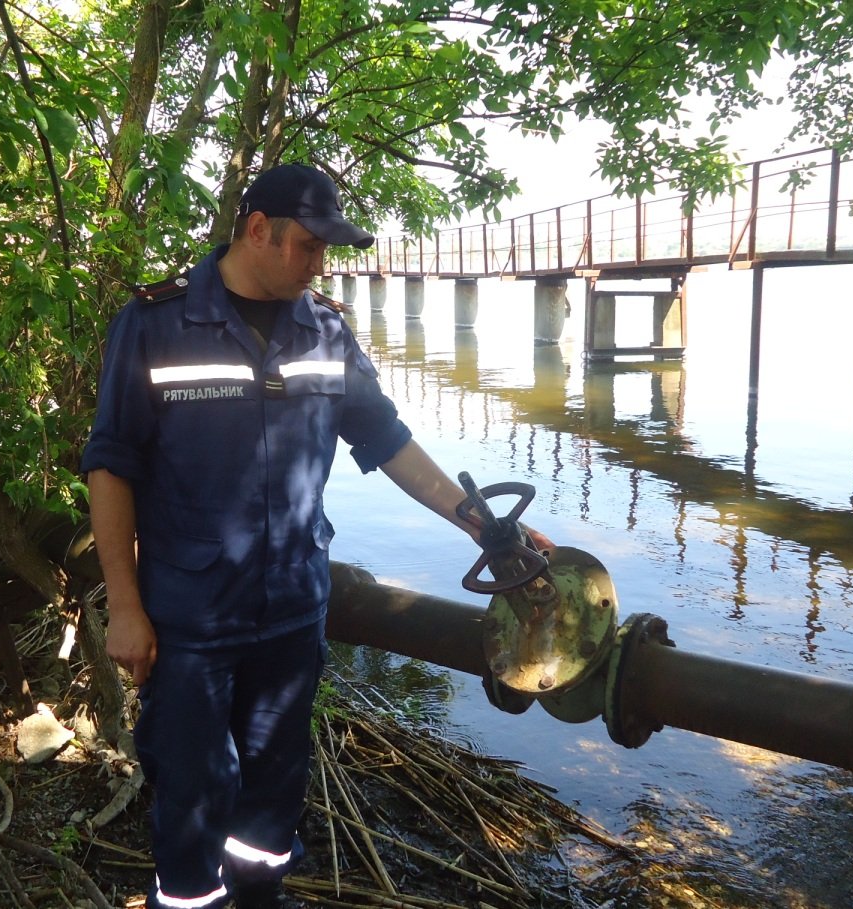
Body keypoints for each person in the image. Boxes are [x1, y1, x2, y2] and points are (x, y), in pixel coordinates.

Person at [81, 163, 550, 909]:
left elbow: (387, 442)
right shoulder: (155, 322)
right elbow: (110, 467)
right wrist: (125, 604)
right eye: (306, 245)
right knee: (192, 787)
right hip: (189, 616)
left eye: (326, 250)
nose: (318, 263)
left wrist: (484, 527)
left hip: (292, 609)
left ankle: (261, 898)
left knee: (273, 785)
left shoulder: (324, 329)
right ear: (258, 229)